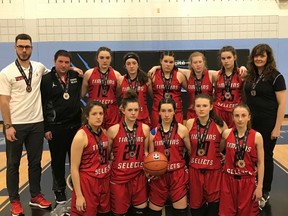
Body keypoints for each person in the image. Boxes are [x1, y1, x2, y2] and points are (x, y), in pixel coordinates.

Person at [0, 33, 52, 215]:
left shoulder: (39, 67)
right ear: (14, 48)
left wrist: (74, 70)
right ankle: (14, 201)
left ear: (32, 48)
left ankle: (35, 195)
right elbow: (4, 101)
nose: (24, 50)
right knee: (13, 164)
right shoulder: (6, 73)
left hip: (37, 124)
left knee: (35, 162)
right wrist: (7, 126)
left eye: (27, 47)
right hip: (16, 125)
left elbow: (54, 74)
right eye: (20, 46)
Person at [244, 44, 286, 208]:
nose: (259, 59)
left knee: (266, 157)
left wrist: (277, 127)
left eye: (262, 56)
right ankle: (253, 186)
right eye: (256, 56)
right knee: (251, 156)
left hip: (268, 124)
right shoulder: (250, 76)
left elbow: (282, 104)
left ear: (268, 58)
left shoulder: (276, 76)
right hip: (251, 124)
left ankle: (265, 191)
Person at [40, 50, 82, 204]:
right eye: (61, 62)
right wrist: (46, 128)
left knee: (77, 161)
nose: (64, 65)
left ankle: (78, 188)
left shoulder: (75, 76)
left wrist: (72, 70)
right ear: (54, 61)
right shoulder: (46, 80)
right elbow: (43, 104)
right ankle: (59, 191)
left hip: (76, 126)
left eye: (67, 62)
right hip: (56, 128)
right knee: (57, 161)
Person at [107, 90, 150, 216]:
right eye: (130, 110)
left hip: (139, 177)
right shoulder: (113, 130)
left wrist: (151, 168)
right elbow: (108, 155)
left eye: (136, 110)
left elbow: (146, 152)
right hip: (119, 179)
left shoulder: (145, 129)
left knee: (140, 211)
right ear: (123, 110)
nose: (133, 113)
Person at [148, 97, 191, 216]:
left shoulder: (182, 130)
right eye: (163, 111)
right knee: (153, 212)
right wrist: (150, 171)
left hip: (178, 175)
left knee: (180, 212)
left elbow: (190, 152)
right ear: (159, 112)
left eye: (169, 111)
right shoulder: (153, 133)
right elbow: (150, 157)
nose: (166, 114)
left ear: (174, 112)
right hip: (159, 176)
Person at [186, 93, 227, 216]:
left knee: (214, 207)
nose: (201, 108)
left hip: (213, 171)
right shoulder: (189, 123)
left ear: (211, 107)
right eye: (198, 106)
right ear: (194, 107)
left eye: (204, 105)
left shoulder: (220, 125)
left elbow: (221, 147)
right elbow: (189, 148)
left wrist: (217, 154)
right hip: (195, 171)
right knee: (196, 207)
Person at [219, 104, 264, 216]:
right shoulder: (226, 133)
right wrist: (224, 156)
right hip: (228, 180)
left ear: (249, 117)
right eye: (237, 115)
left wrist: (260, 187)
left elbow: (261, 163)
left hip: (247, 182)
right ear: (232, 117)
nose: (240, 119)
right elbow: (218, 150)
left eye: (243, 115)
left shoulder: (257, 136)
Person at [70, 101, 111, 216]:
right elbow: (74, 168)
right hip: (88, 183)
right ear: (87, 116)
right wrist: (79, 195)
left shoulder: (103, 132)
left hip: (104, 181)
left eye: (101, 113)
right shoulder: (81, 136)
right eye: (94, 114)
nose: (98, 117)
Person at [81, 46, 122, 129]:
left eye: (107, 58)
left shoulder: (117, 75)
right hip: (94, 111)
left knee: (111, 138)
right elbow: (82, 94)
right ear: (97, 59)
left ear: (111, 59)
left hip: (111, 112)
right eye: (102, 57)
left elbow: (118, 94)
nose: (104, 60)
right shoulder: (89, 73)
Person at [149, 51, 187, 128]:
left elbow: (191, 91)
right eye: (165, 61)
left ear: (174, 63)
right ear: (161, 61)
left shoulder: (180, 76)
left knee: (175, 137)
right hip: (158, 112)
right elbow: (151, 94)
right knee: (157, 137)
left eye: (171, 62)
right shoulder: (153, 75)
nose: (168, 64)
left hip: (176, 112)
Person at [214, 46, 244, 128]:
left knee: (234, 138)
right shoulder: (216, 74)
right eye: (223, 58)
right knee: (220, 138)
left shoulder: (242, 73)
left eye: (229, 57)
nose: (226, 61)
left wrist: (243, 67)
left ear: (235, 57)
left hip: (235, 111)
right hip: (219, 110)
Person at [118, 52, 151, 126]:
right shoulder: (120, 79)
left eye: (134, 63)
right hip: (126, 117)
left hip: (143, 117)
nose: (131, 66)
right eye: (128, 64)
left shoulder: (146, 80)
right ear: (125, 66)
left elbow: (154, 96)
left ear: (138, 65)